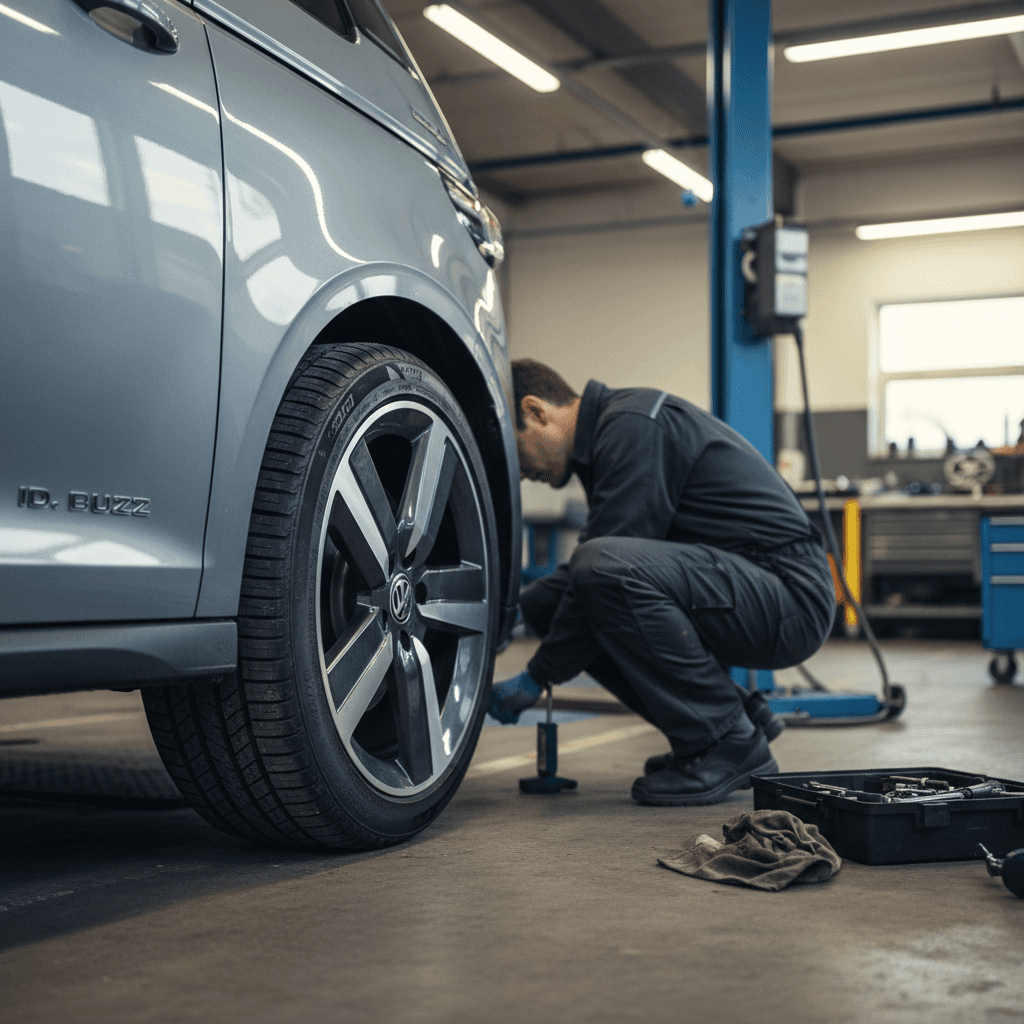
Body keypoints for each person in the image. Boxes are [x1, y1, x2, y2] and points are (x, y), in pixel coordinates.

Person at [489, 359, 836, 806]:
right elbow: (581, 586)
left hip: (789, 597)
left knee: (601, 566)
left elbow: (603, 568)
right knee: (547, 602)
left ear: (536, 411)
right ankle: (730, 719)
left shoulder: (632, 427)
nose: (518, 473)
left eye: (515, 452)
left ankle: (726, 739)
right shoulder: (611, 437)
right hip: (750, 587)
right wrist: (509, 615)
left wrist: (537, 676)